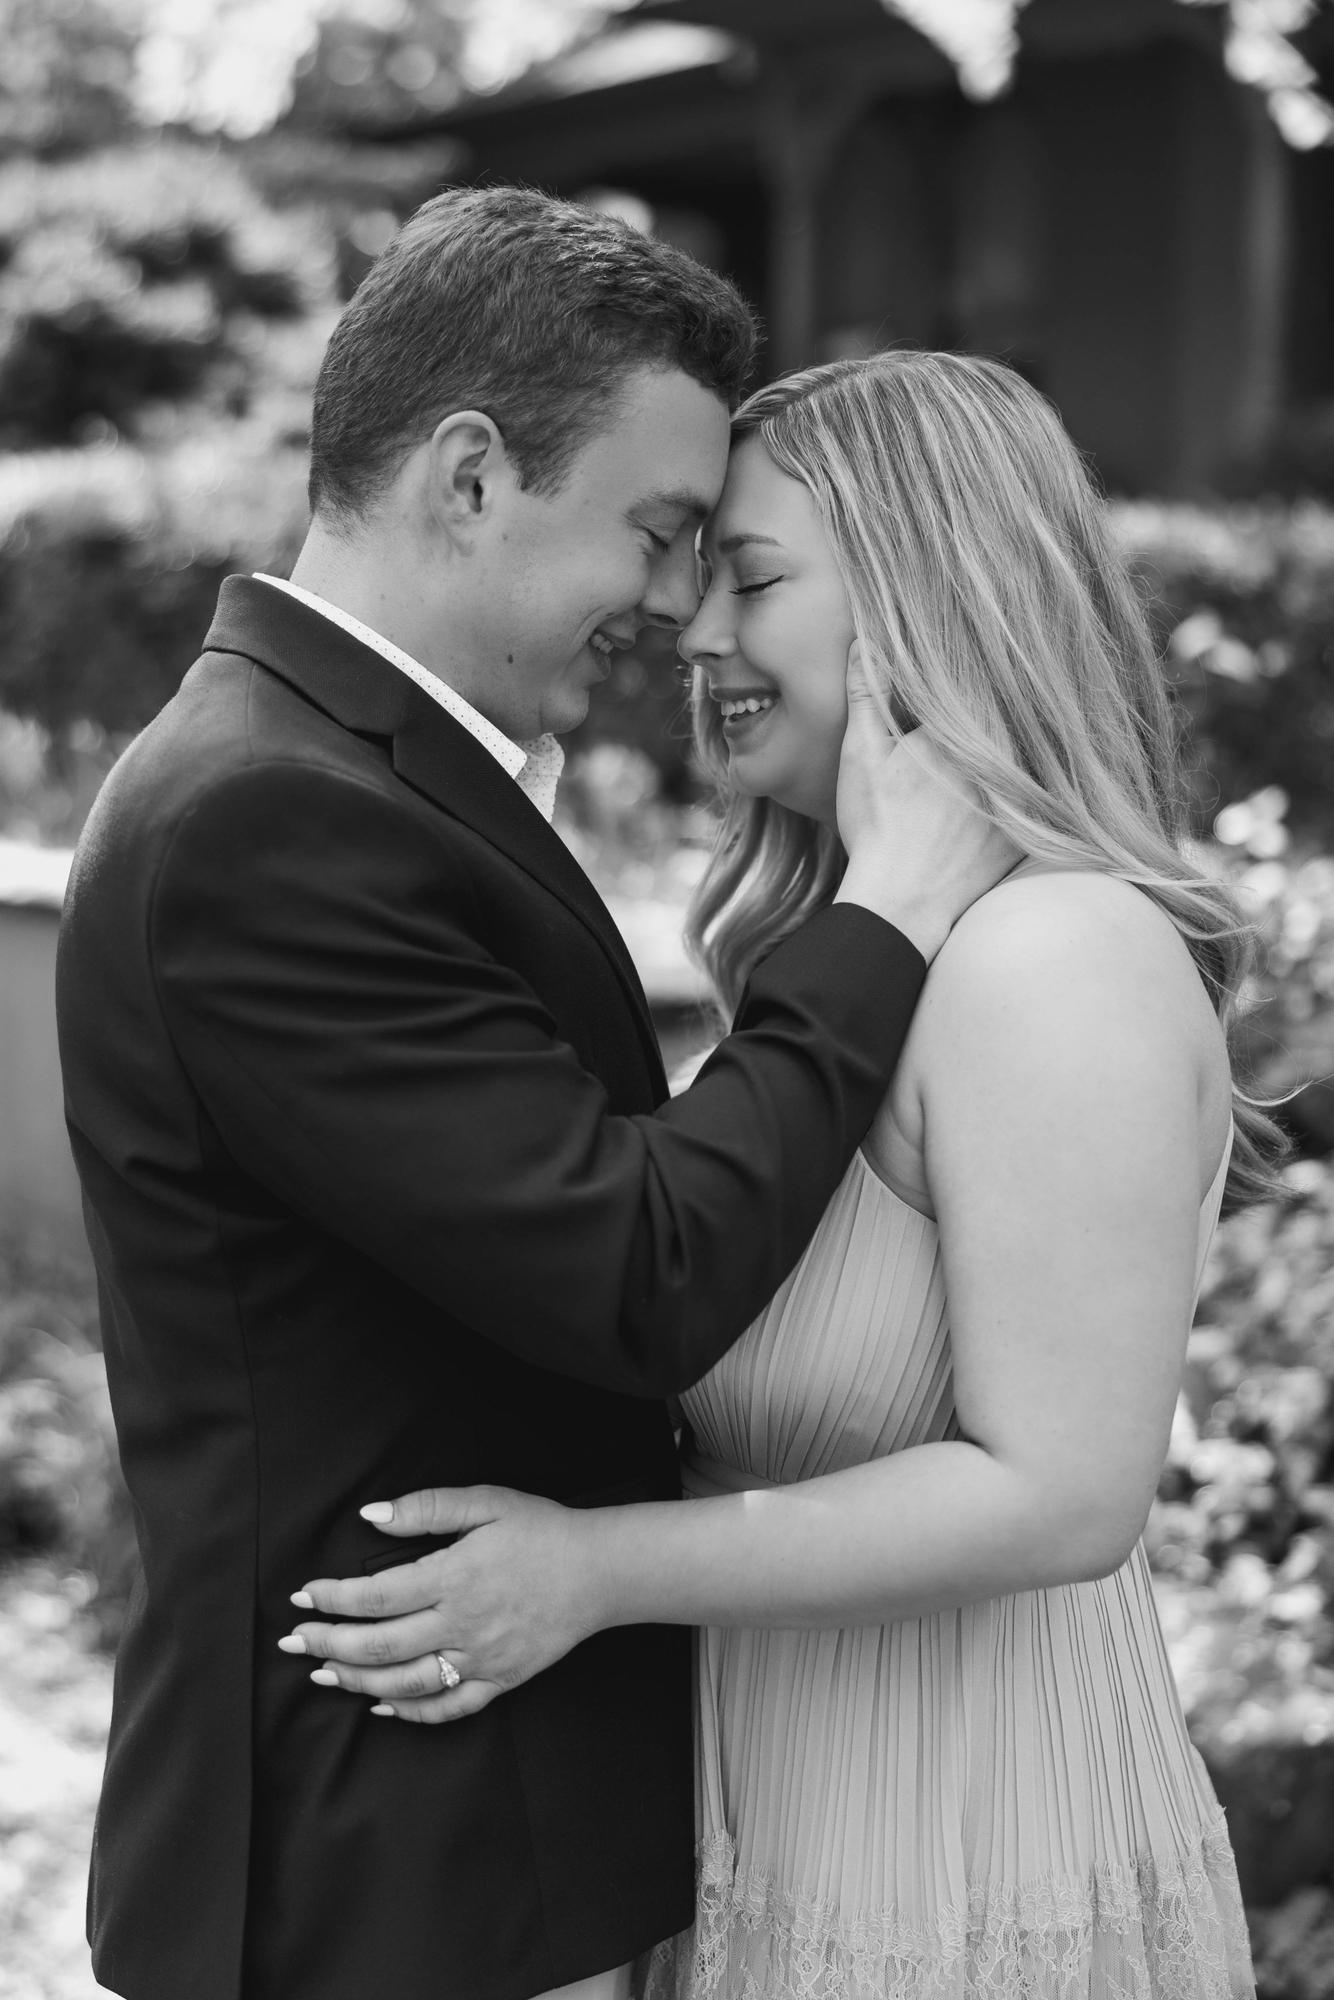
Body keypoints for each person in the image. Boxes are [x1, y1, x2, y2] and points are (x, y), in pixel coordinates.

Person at [54, 198, 1013, 2000]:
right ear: (473, 476)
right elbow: (632, 1267)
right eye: (656, 534)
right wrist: (883, 916)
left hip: (476, 1842)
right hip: (391, 1877)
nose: (672, 605)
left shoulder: (332, 775)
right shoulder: (270, 818)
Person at [284, 353, 1283, 1999]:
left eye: (748, 579)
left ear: (928, 596)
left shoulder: (1052, 956)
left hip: (966, 1869)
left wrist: (589, 1571)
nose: (690, 632)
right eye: (690, 580)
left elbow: (1063, 1494)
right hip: (768, 1838)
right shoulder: (847, 957)